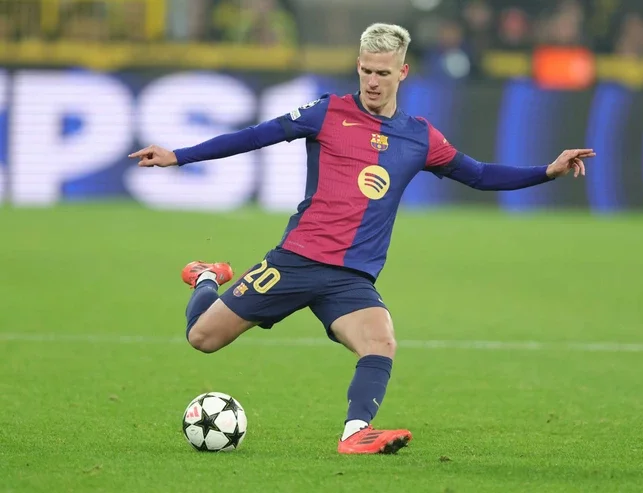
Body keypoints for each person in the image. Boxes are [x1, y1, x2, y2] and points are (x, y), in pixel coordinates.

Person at [129, 23, 594, 455]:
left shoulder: (420, 138)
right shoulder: (328, 112)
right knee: (202, 338)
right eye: (367, 71)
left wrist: (547, 171)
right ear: (358, 66)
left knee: (381, 341)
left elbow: (479, 175)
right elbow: (256, 136)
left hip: (351, 277)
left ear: (403, 72)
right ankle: (207, 278)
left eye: (383, 73)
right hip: (297, 260)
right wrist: (179, 156)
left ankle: (355, 434)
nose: (373, 82)